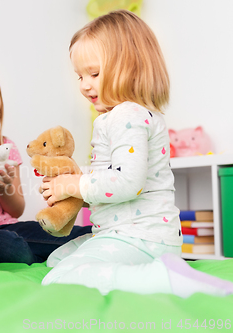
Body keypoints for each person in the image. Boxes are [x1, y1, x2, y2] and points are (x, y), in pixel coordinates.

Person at [40, 10, 233, 297]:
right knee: (56, 260)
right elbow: (114, 185)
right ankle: (154, 270)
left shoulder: (124, 116)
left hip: (140, 238)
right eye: (79, 76)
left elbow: (128, 182)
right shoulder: (129, 115)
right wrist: (80, 192)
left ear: (130, 68)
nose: (84, 84)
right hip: (136, 236)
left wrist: (73, 184)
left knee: (57, 278)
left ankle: (158, 278)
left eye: (93, 73)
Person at [0, 61, 92, 264]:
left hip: (4, 227)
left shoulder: (5, 146)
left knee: (56, 234)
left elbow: (16, 210)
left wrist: (5, 188)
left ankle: (102, 236)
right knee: (10, 246)